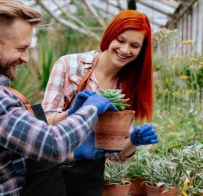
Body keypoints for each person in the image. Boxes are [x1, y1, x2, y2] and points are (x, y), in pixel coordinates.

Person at [0, 0, 117, 196]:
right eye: (20, 49)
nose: (25, 58)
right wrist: (91, 109)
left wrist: (70, 116)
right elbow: (52, 144)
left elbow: (21, 156)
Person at [42, 10, 159, 196]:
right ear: (110, 35)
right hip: (53, 169)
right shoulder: (69, 65)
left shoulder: (128, 87)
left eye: (134, 45)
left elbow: (114, 154)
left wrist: (133, 141)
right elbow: (44, 122)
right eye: (120, 40)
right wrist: (72, 112)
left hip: (89, 178)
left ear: (141, 51)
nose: (125, 49)